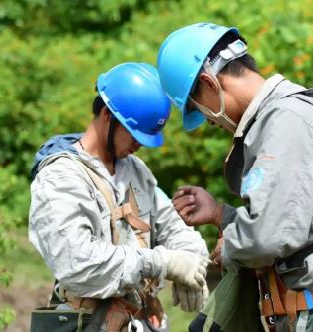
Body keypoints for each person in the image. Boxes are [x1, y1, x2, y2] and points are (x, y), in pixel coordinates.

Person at [157, 22, 313, 332]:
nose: (209, 122)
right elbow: (300, 224)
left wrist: (231, 247)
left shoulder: (285, 121)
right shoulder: (277, 120)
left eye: (201, 110)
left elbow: (268, 238)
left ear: (210, 84)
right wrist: (221, 215)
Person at [28, 62, 209, 332]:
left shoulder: (135, 171)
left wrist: (192, 261)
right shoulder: (61, 177)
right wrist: (161, 263)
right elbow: (77, 263)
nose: (140, 145)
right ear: (106, 115)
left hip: (140, 321)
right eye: (135, 134)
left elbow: (172, 225)